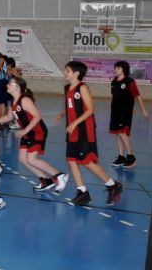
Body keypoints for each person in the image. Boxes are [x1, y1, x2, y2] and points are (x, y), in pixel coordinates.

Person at [57, 61, 124, 206]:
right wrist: (64, 114)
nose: (65, 73)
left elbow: (90, 109)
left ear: (76, 73)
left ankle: (113, 185)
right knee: (71, 159)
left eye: (67, 70)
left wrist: (74, 123)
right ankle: (82, 192)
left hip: (84, 130)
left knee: (87, 162)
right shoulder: (67, 88)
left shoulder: (83, 88)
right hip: (72, 129)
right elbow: (71, 106)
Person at [0, 76, 69, 193]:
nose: (7, 85)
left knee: (31, 159)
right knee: (22, 159)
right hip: (27, 132)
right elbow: (9, 117)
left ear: (18, 87)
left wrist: (25, 131)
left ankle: (59, 175)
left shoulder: (25, 100)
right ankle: (45, 180)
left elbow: (37, 116)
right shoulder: (13, 101)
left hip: (36, 131)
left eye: (10, 83)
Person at [109, 60, 149, 169]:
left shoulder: (130, 82)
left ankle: (131, 157)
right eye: (115, 68)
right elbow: (115, 97)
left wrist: (143, 110)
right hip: (115, 111)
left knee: (122, 133)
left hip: (124, 112)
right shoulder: (113, 82)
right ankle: (121, 157)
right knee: (117, 133)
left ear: (123, 69)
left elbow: (137, 96)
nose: (115, 70)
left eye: (117, 68)